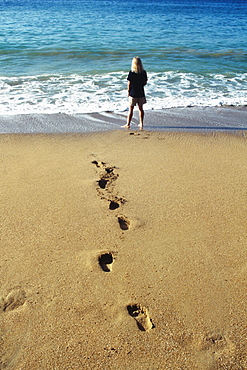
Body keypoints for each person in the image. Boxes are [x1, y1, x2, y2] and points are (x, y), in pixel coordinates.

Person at [122, 57, 147, 130]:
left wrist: (128, 91)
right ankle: (141, 123)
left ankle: (128, 123)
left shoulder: (132, 73)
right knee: (141, 109)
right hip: (141, 92)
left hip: (133, 93)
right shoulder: (143, 72)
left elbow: (129, 83)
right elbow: (145, 82)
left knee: (131, 109)